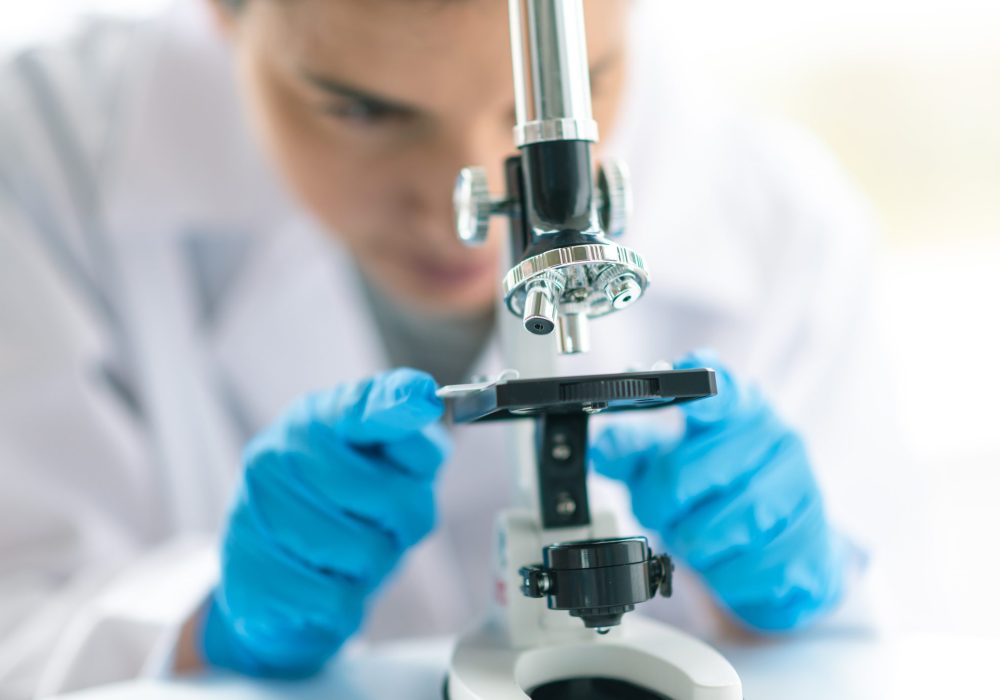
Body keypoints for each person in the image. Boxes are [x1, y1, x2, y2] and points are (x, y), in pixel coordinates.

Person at [0, 0, 889, 695]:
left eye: (585, 81)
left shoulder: (779, 219)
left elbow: (896, 634)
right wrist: (205, 626)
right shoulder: (42, 164)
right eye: (364, 110)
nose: (462, 210)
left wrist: (790, 605)